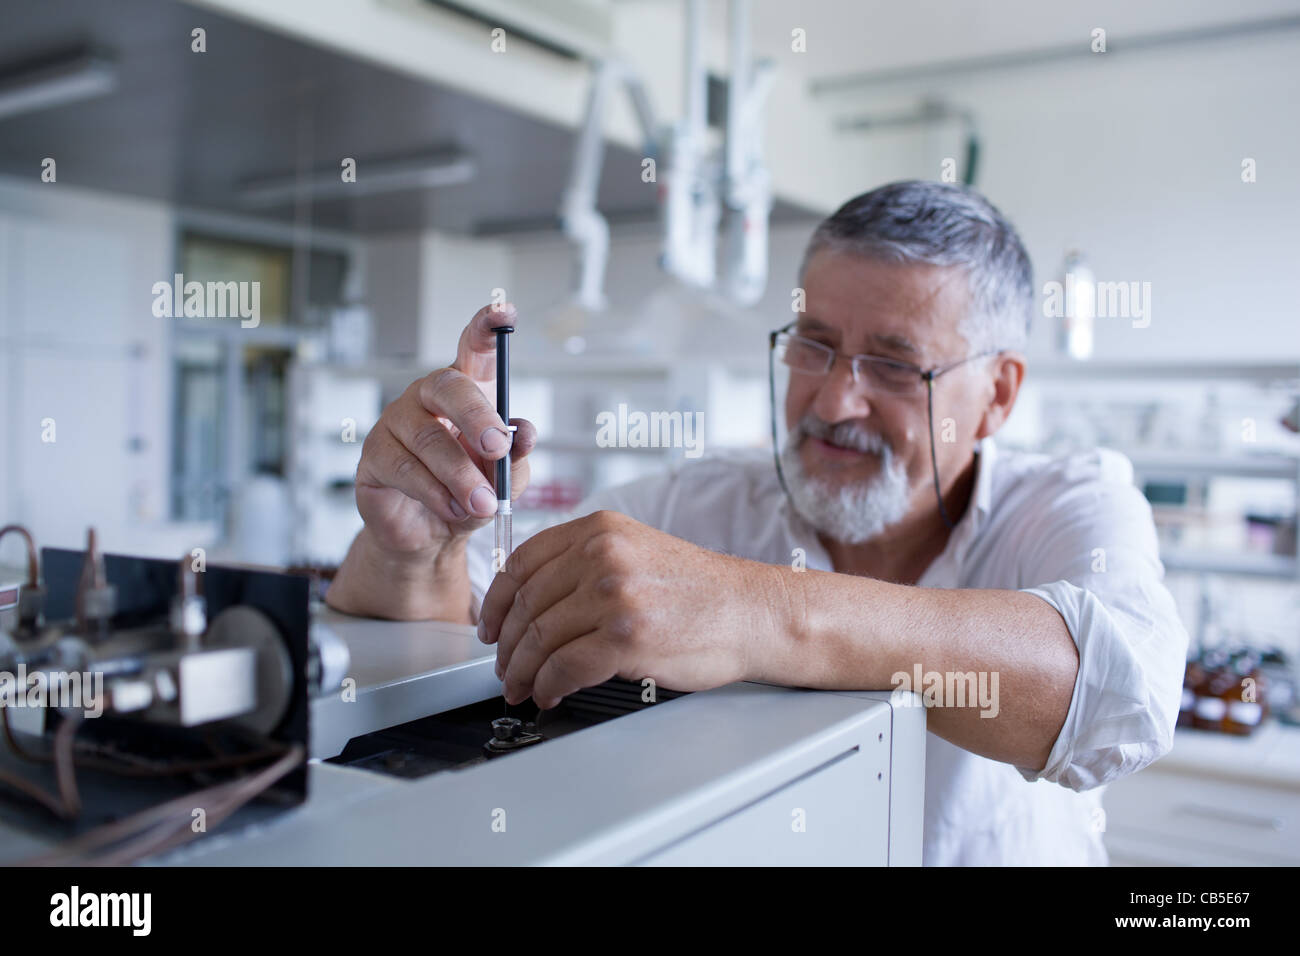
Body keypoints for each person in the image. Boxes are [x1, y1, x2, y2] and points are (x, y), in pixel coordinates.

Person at [325, 180, 1188, 865]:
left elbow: (1120, 698)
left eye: (893, 365)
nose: (835, 398)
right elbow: (466, 622)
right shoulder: (698, 502)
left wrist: (749, 610)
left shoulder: (1069, 497)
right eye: (812, 344)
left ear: (997, 394)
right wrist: (419, 548)